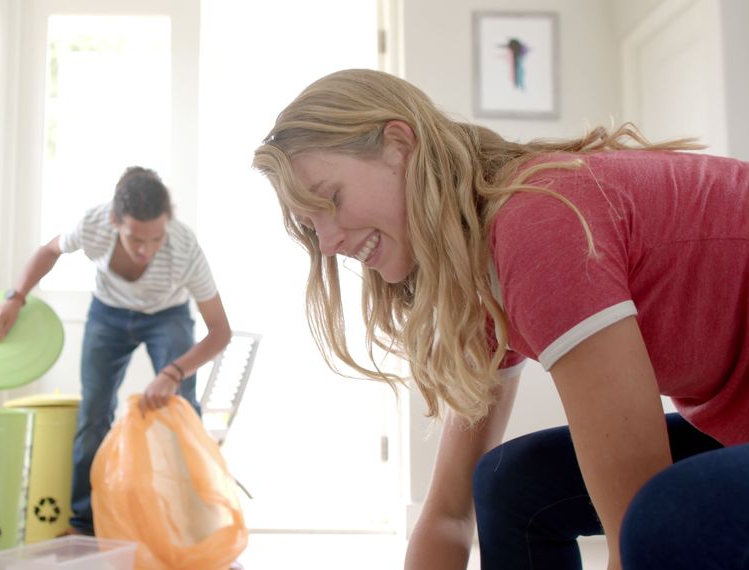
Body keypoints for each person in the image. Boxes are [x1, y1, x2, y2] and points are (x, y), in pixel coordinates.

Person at [252, 69, 749, 569]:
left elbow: (634, 528)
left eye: (332, 200)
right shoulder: (482, 276)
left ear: (398, 145)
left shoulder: (541, 225)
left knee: (664, 520)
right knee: (508, 482)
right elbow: (448, 512)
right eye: (310, 226)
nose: (330, 243)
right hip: (731, 423)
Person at [0, 166, 232, 537]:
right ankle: (83, 526)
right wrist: (15, 298)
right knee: (94, 414)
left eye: (156, 238)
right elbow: (49, 250)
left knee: (182, 411)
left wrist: (172, 373)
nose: (147, 251)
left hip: (168, 314)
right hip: (108, 314)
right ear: (115, 222)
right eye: (136, 240)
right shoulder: (94, 225)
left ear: (168, 223)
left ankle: (197, 526)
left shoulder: (184, 248)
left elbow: (220, 332)